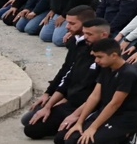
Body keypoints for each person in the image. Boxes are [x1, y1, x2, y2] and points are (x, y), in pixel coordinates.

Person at [21, 9, 110, 139]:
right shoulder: (83, 48)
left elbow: (98, 96)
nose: (85, 37)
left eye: (89, 34)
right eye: (85, 34)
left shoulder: (109, 60)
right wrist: (49, 104)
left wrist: (77, 116)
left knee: (63, 139)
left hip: (88, 108)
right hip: (70, 103)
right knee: (30, 128)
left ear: (104, 35)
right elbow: (67, 76)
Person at [57, 39, 137, 144]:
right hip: (103, 113)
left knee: (84, 142)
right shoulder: (106, 67)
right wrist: (79, 122)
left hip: (123, 119)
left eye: (99, 57)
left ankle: (127, 137)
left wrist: (92, 128)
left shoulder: (128, 74)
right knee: (62, 139)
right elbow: (94, 96)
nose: (96, 60)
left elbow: (114, 104)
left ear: (114, 55)